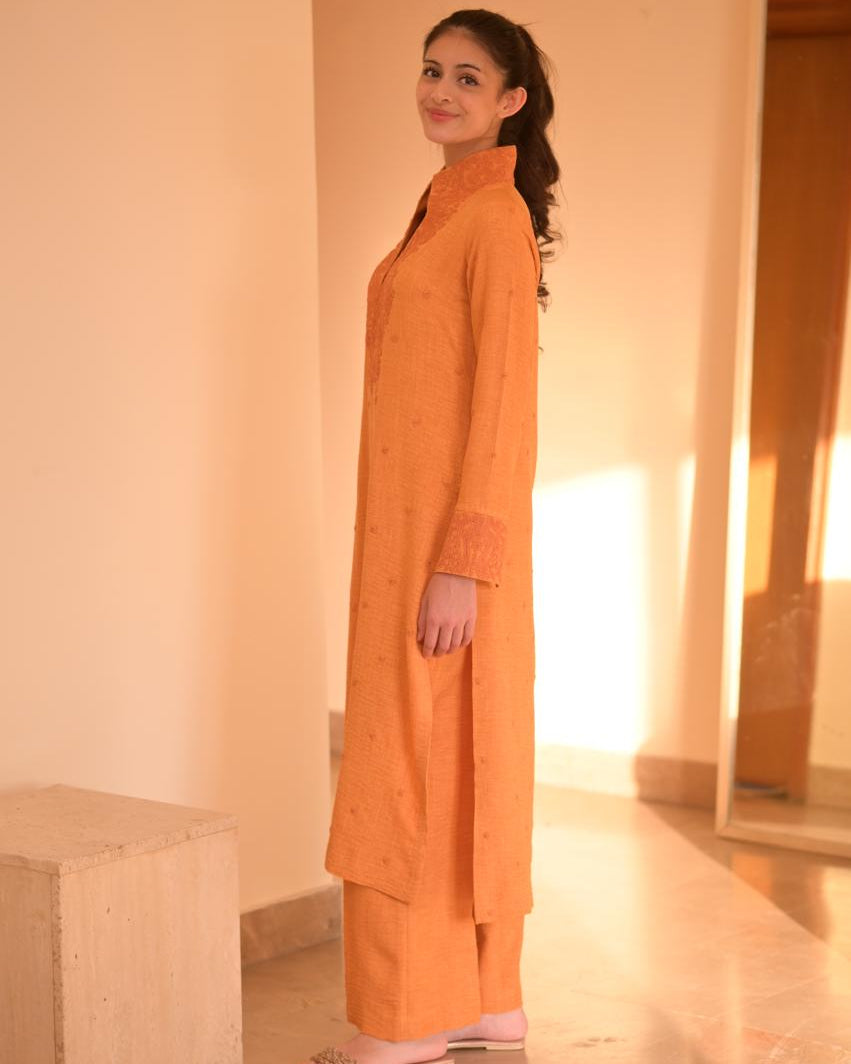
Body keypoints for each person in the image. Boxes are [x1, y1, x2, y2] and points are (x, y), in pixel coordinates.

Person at [306, 10, 560, 1064]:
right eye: (428, 71)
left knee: (411, 763)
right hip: (409, 545)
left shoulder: (488, 218)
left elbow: (504, 407)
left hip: (448, 557)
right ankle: (481, 999)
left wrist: (463, 563)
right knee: (454, 758)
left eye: (466, 76)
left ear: (509, 101)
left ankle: (407, 1017)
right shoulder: (439, 213)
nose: (438, 89)